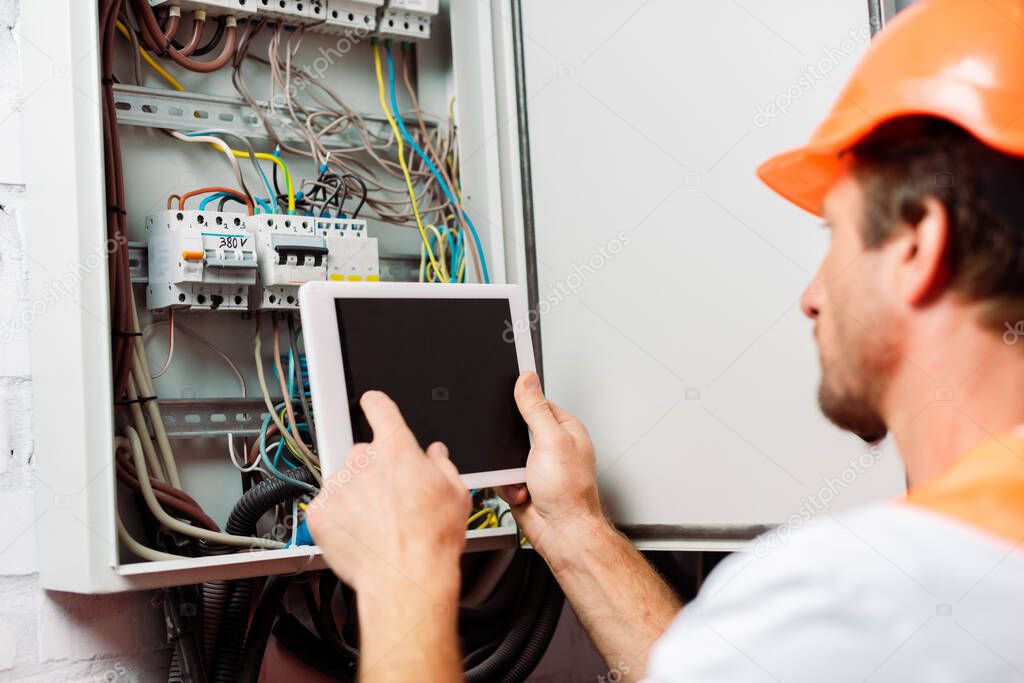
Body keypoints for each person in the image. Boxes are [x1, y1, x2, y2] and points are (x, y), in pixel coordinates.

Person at [307, 0, 1024, 680]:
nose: (810, 295)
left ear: (916, 246)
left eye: (835, 235)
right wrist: (571, 524)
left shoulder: (855, 599)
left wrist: (402, 578)